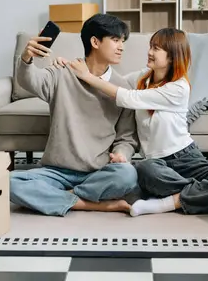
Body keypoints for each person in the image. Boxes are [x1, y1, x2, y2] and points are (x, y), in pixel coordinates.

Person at [62, 27, 208, 217]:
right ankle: (202, 194)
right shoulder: (143, 78)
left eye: (157, 49)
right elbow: (114, 82)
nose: (150, 52)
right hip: (156, 165)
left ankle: (169, 202)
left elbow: (127, 97)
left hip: (186, 158)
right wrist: (71, 68)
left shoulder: (179, 88)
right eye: (151, 46)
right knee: (143, 169)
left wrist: (86, 76)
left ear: (172, 56)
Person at [9, 14, 140, 217]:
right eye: (115, 40)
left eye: (122, 41)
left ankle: (60, 198)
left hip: (99, 172)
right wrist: (27, 58)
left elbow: (127, 137)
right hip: (57, 172)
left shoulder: (121, 88)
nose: (121, 46)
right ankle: (91, 203)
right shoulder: (62, 72)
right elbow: (30, 81)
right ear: (95, 42)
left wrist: (122, 154)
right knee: (10, 182)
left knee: (128, 175)